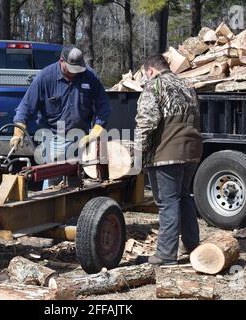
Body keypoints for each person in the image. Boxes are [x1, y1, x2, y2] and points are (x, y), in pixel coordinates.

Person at [135, 54, 203, 266]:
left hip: (167, 153)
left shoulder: (154, 86)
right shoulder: (187, 86)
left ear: (151, 70)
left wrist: (137, 152)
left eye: (145, 74)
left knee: (168, 202)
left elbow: (147, 121)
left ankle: (165, 255)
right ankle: (193, 246)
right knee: (184, 197)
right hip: (192, 150)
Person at [10, 46, 111, 188]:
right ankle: (49, 205)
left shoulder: (89, 76)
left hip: (82, 137)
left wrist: (96, 130)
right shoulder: (45, 78)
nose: (74, 73)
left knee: (80, 179)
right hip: (54, 138)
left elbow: (104, 106)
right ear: (61, 61)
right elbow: (25, 107)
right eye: (71, 69)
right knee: (54, 178)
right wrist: (19, 129)